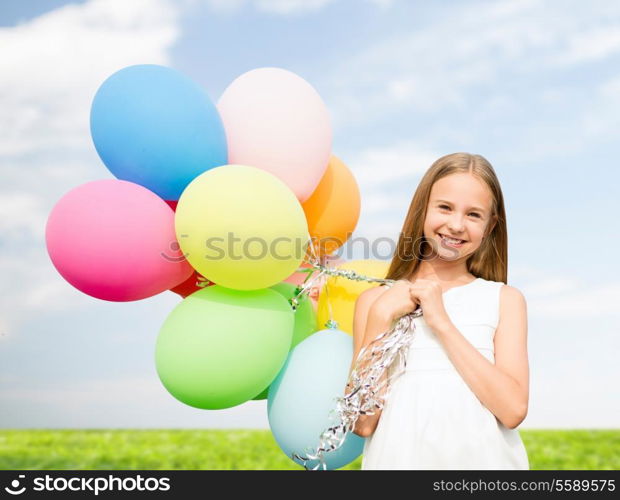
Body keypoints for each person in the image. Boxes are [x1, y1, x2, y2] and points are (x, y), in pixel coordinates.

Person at [351, 152, 530, 470]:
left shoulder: (504, 300)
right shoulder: (375, 303)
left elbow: (513, 409)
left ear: (490, 226)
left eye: (474, 215)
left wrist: (442, 323)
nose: (456, 225)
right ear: (423, 209)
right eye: (445, 207)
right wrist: (380, 319)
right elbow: (363, 423)